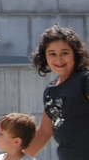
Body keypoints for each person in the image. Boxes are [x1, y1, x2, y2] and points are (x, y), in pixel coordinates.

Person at [27, 25, 89, 160]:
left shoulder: (85, 79)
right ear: (44, 56)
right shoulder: (51, 91)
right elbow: (45, 131)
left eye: (64, 53)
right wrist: (16, 157)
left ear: (76, 53)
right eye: (52, 54)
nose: (59, 59)